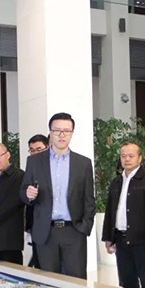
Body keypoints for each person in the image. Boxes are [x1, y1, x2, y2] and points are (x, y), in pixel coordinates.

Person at [20, 113, 95, 279]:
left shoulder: (83, 163)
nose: (62, 135)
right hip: (46, 232)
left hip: (73, 231)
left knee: (76, 282)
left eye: (66, 131)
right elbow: (23, 192)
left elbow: (89, 199)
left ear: (72, 133)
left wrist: (84, 228)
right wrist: (28, 194)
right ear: (50, 132)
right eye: (57, 130)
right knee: (49, 282)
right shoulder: (34, 161)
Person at [101, 141, 145, 288]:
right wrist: (108, 237)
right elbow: (110, 211)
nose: (126, 159)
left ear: (140, 158)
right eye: (123, 156)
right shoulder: (116, 182)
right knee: (126, 281)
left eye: (131, 156)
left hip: (141, 241)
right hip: (121, 239)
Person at [25, 134, 49, 268]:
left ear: (48, 148)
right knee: (39, 265)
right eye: (32, 150)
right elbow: (24, 195)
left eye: (39, 149)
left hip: (55, 227)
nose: (35, 153)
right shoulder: (31, 169)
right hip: (36, 227)